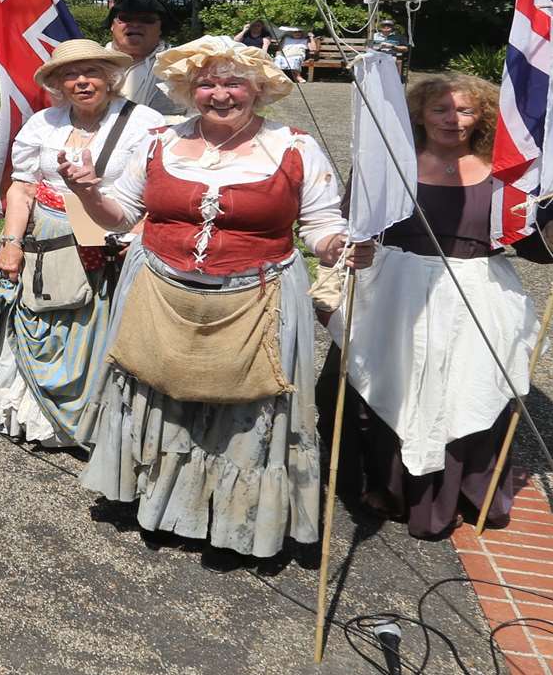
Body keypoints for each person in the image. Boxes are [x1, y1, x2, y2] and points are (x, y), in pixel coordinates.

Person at [59, 35, 363, 558]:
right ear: (187, 89)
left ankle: (231, 519)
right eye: (207, 83)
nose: (220, 94)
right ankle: (154, 500)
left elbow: (320, 224)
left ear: (258, 89)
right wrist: (89, 191)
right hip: (159, 287)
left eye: (232, 83)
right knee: (159, 391)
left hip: (256, 297)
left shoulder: (293, 146)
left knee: (248, 406)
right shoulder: (159, 140)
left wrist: (338, 246)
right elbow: (124, 214)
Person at [327, 74, 553, 539]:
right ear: (420, 114)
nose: (452, 120)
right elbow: (353, 225)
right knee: (386, 386)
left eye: (465, 111)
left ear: (484, 118)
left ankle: (462, 495)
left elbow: (542, 248)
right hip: (396, 292)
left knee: (469, 391)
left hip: (478, 292)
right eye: (441, 110)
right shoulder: (389, 164)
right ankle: (385, 488)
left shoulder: (508, 175)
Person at [0, 40, 163, 445]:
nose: (82, 82)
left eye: (91, 72)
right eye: (71, 75)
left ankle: (86, 419)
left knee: (93, 327)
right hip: (46, 238)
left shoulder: (144, 122)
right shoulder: (44, 124)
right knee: (36, 317)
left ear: (110, 78)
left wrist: (138, 236)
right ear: (58, 83)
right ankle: (28, 414)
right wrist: (11, 242)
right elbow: (23, 188)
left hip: (110, 240)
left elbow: (158, 190)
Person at [104, 0, 186, 118]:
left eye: (147, 20)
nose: (135, 24)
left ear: (161, 28)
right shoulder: (91, 63)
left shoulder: (182, 65)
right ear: (112, 25)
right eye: (125, 18)